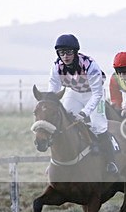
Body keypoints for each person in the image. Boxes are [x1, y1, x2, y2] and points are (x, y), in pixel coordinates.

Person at [48, 34, 118, 174]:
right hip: (74, 93)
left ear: (75, 52)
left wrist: (85, 112)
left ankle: (111, 162)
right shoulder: (57, 67)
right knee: (66, 121)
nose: (65, 56)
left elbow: (97, 94)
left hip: (94, 94)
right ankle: (59, 161)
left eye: (68, 52)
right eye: (62, 53)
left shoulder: (90, 65)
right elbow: (53, 94)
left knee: (99, 125)